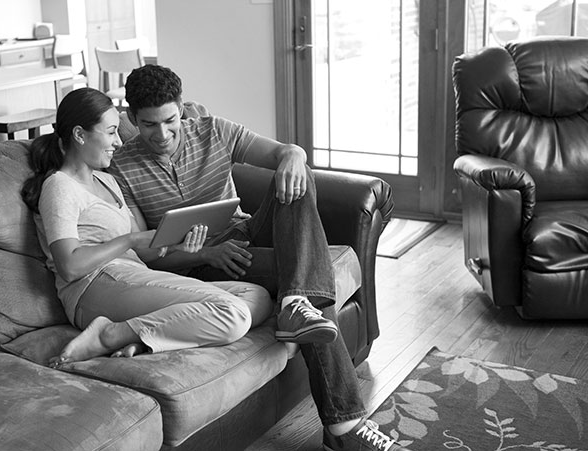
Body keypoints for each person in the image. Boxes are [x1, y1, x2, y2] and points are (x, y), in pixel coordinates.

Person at [107, 65, 409, 451]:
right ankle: (343, 427)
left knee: (299, 180)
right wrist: (206, 253)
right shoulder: (122, 167)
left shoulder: (213, 130)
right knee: (317, 289)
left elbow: (288, 153)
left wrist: (295, 157)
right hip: (198, 265)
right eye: (149, 125)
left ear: (182, 109)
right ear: (132, 117)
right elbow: (144, 256)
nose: (162, 135)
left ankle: (294, 302)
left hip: (246, 233)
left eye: (170, 121)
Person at [21, 87, 274, 365]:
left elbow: (144, 253)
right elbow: (69, 267)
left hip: (132, 276)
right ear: (80, 135)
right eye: (111, 132)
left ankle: (141, 338)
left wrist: (174, 244)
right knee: (233, 313)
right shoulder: (59, 186)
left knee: (257, 297)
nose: (118, 142)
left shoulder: (108, 181)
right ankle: (109, 335)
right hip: (92, 287)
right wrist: (129, 241)